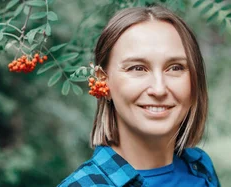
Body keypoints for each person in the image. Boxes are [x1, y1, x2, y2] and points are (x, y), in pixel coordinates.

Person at [58, 5, 219, 187]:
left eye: (175, 67)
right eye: (137, 68)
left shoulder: (201, 166)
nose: (159, 89)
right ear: (104, 83)